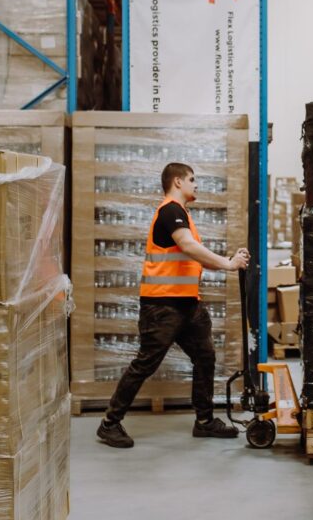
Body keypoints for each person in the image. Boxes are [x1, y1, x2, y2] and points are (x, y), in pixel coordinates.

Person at [97, 162, 250, 448]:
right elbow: (189, 247)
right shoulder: (170, 211)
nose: (196, 184)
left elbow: (192, 254)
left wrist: (229, 260)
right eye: (192, 179)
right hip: (162, 306)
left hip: (187, 305)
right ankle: (109, 424)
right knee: (145, 364)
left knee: (205, 357)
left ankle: (204, 421)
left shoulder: (182, 214)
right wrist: (229, 264)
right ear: (177, 182)